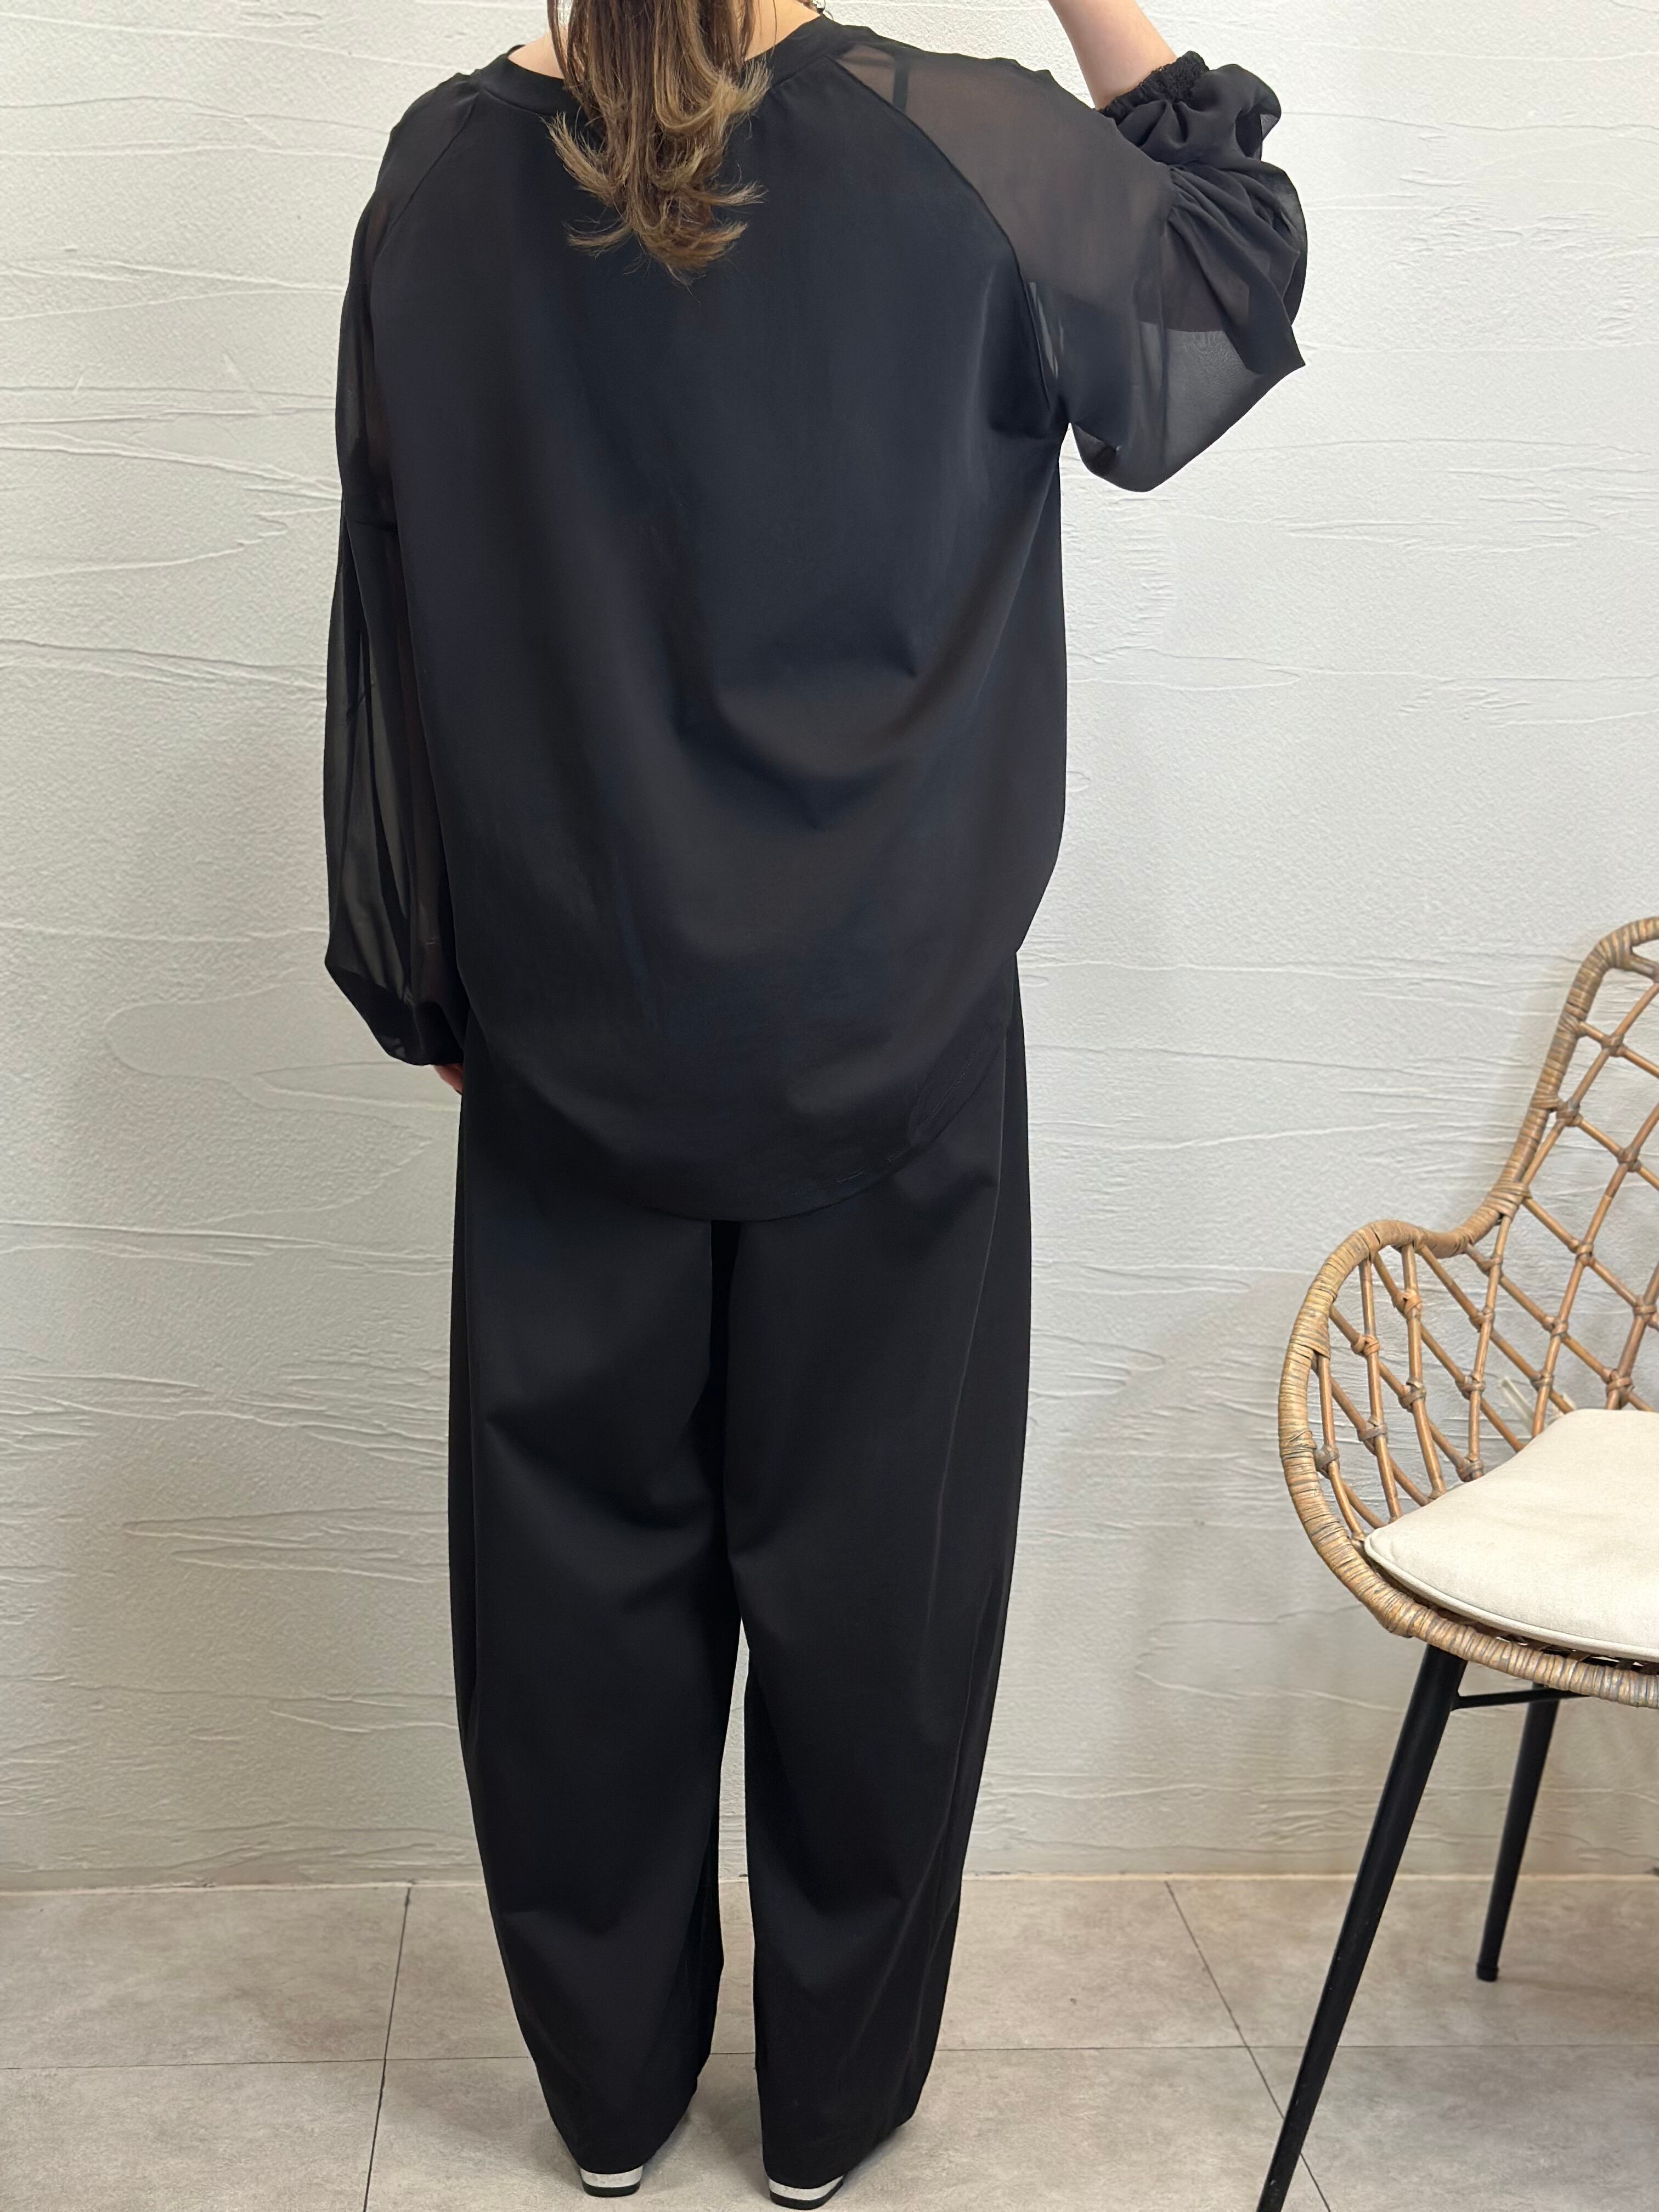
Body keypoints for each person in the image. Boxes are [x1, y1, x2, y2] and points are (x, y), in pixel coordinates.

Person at [320, 0, 1306, 2199]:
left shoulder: (440, 186)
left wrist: (424, 962)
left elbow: (391, 590)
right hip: (896, 1040)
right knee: (883, 1603)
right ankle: (829, 2113)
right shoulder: (966, 151)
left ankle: (607, 2103)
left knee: (573, 1601)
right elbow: (1231, 284)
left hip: (571, 1037)